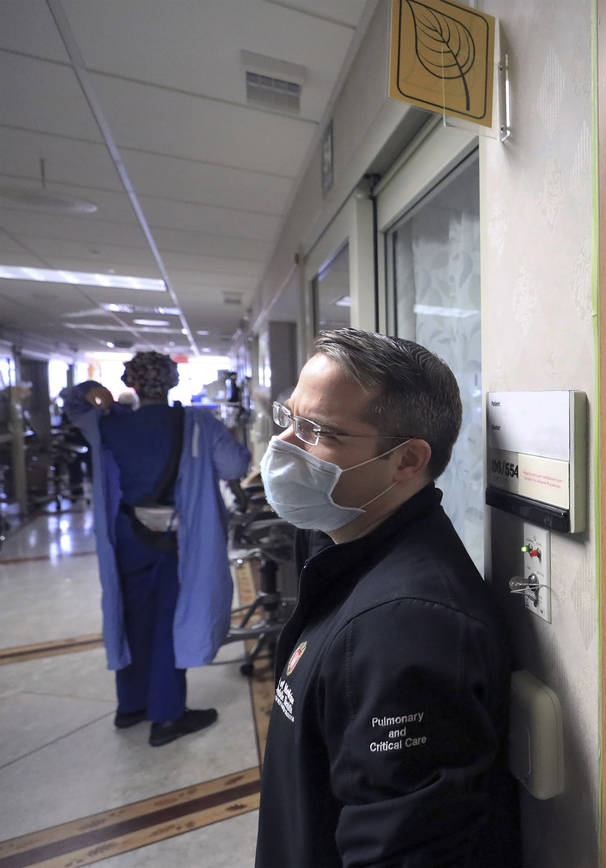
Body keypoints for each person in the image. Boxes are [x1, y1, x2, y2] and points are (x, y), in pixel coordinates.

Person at [255, 328, 519, 868]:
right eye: (289, 418)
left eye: (318, 431)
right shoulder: (349, 551)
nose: (284, 444)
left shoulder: (408, 624)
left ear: (406, 462)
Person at [66, 351, 250, 746]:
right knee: (171, 620)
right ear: (172, 382)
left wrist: (90, 390)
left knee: (133, 617)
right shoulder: (198, 423)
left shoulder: (110, 423)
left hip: (128, 535)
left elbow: (73, 405)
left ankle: (130, 706)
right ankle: (166, 717)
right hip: (177, 539)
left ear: (130, 383)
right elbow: (236, 468)